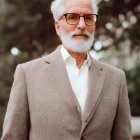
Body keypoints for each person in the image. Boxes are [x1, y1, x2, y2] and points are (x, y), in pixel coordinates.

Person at [1, 0, 132, 139]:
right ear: (58, 27)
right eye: (72, 17)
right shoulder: (27, 74)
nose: (82, 25)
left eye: (88, 18)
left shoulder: (116, 79)